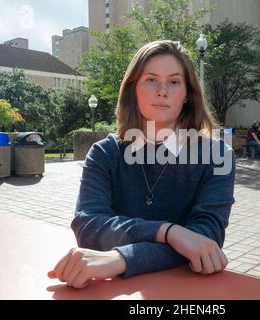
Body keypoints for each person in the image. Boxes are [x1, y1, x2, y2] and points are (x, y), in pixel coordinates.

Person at [48, 40, 236, 289]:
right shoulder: (105, 153)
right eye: (150, 79)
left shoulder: (217, 154)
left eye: (174, 81)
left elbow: (205, 240)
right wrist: (170, 232)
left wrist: (121, 258)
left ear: (188, 95)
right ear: (132, 88)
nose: (162, 90)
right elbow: (88, 225)